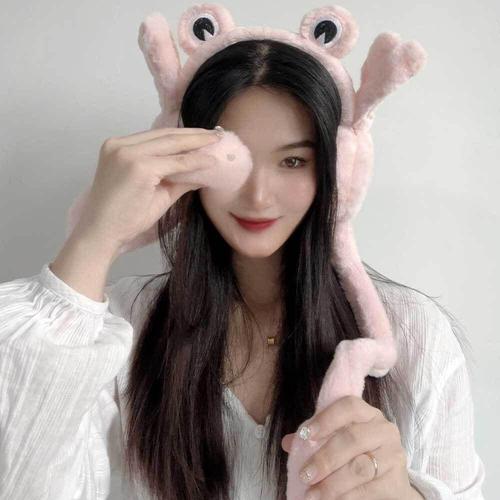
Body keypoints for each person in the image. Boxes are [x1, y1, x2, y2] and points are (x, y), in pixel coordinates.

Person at [0, 37, 485, 500]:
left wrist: (400, 492)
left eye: (293, 161)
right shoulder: (124, 322)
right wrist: (94, 237)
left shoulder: (412, 333)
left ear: (337, 171)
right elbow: (24, 477)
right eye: (233, 159)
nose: (258, 196)